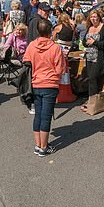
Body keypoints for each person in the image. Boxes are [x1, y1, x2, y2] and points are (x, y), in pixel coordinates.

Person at [23, 19, 66, 156]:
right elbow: (60, 70)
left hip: (36, 83)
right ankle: (44, 147)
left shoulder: (31, 45)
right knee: (46, 116)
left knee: (38, 115)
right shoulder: (55, 48)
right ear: (50, 32)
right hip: (50, 84)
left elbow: (26, 61)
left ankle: (38, 145)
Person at [81, 10, 104, 112]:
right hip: (89, 57)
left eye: (95, 16)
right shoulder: (89, 28)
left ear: (99, 17)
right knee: (91, 78)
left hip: (99, 57)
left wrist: (94, 42)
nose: (93, 19)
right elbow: (83, 41)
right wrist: (86, 43)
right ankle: (92, 100)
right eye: (91, 17)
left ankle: (92, 102)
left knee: (93, 78)